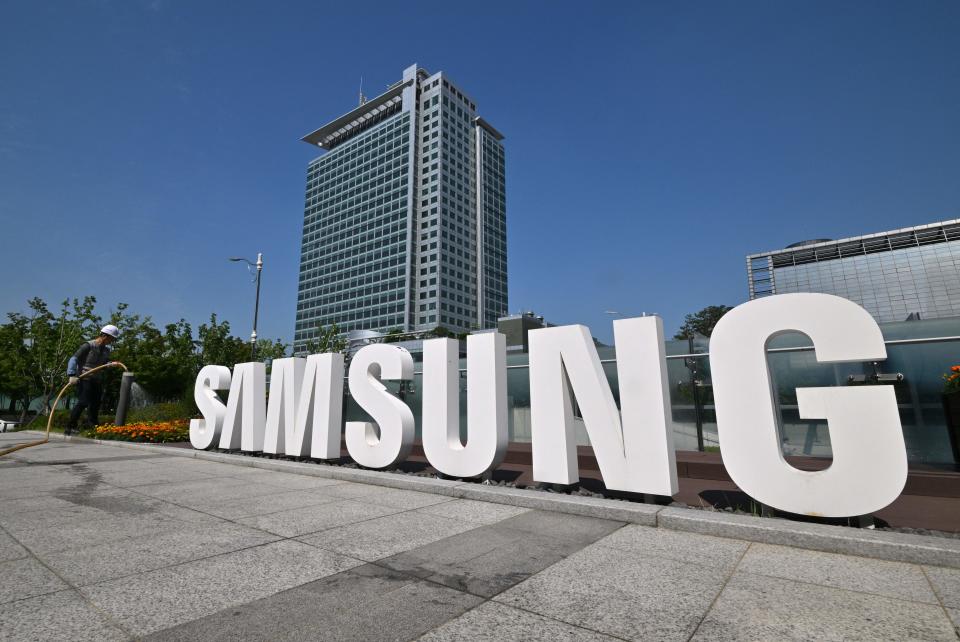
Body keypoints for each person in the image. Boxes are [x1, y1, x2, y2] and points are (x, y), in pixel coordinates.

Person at [65, 325, 120, 435]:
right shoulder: (88, 345)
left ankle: (93, 426)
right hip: (84, 378)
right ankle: (70, 427)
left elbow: (103, 364)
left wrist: (110, 364)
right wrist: (71, 374)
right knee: (83, 402)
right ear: (104, 336)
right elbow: (74, 358)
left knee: (96, 404)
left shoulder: (106, 350)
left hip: (97, 380)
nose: (112, 341)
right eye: (111, 339)